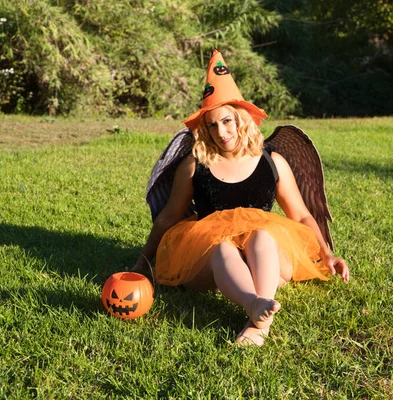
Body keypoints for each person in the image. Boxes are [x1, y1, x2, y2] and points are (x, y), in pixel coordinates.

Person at [131, 49, 349, 346]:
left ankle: (259, 319)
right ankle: (255, 306)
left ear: (241, 119)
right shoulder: (195, 165)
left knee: (261, 235)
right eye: (213, 124)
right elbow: (169, 216)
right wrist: (142, 263)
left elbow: (300, 215)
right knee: (222, 249)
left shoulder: (273, 162)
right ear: (205, 128)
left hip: (266, 256)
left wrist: (326, 253)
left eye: (228, 121)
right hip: (209, 257)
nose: (222, 132)